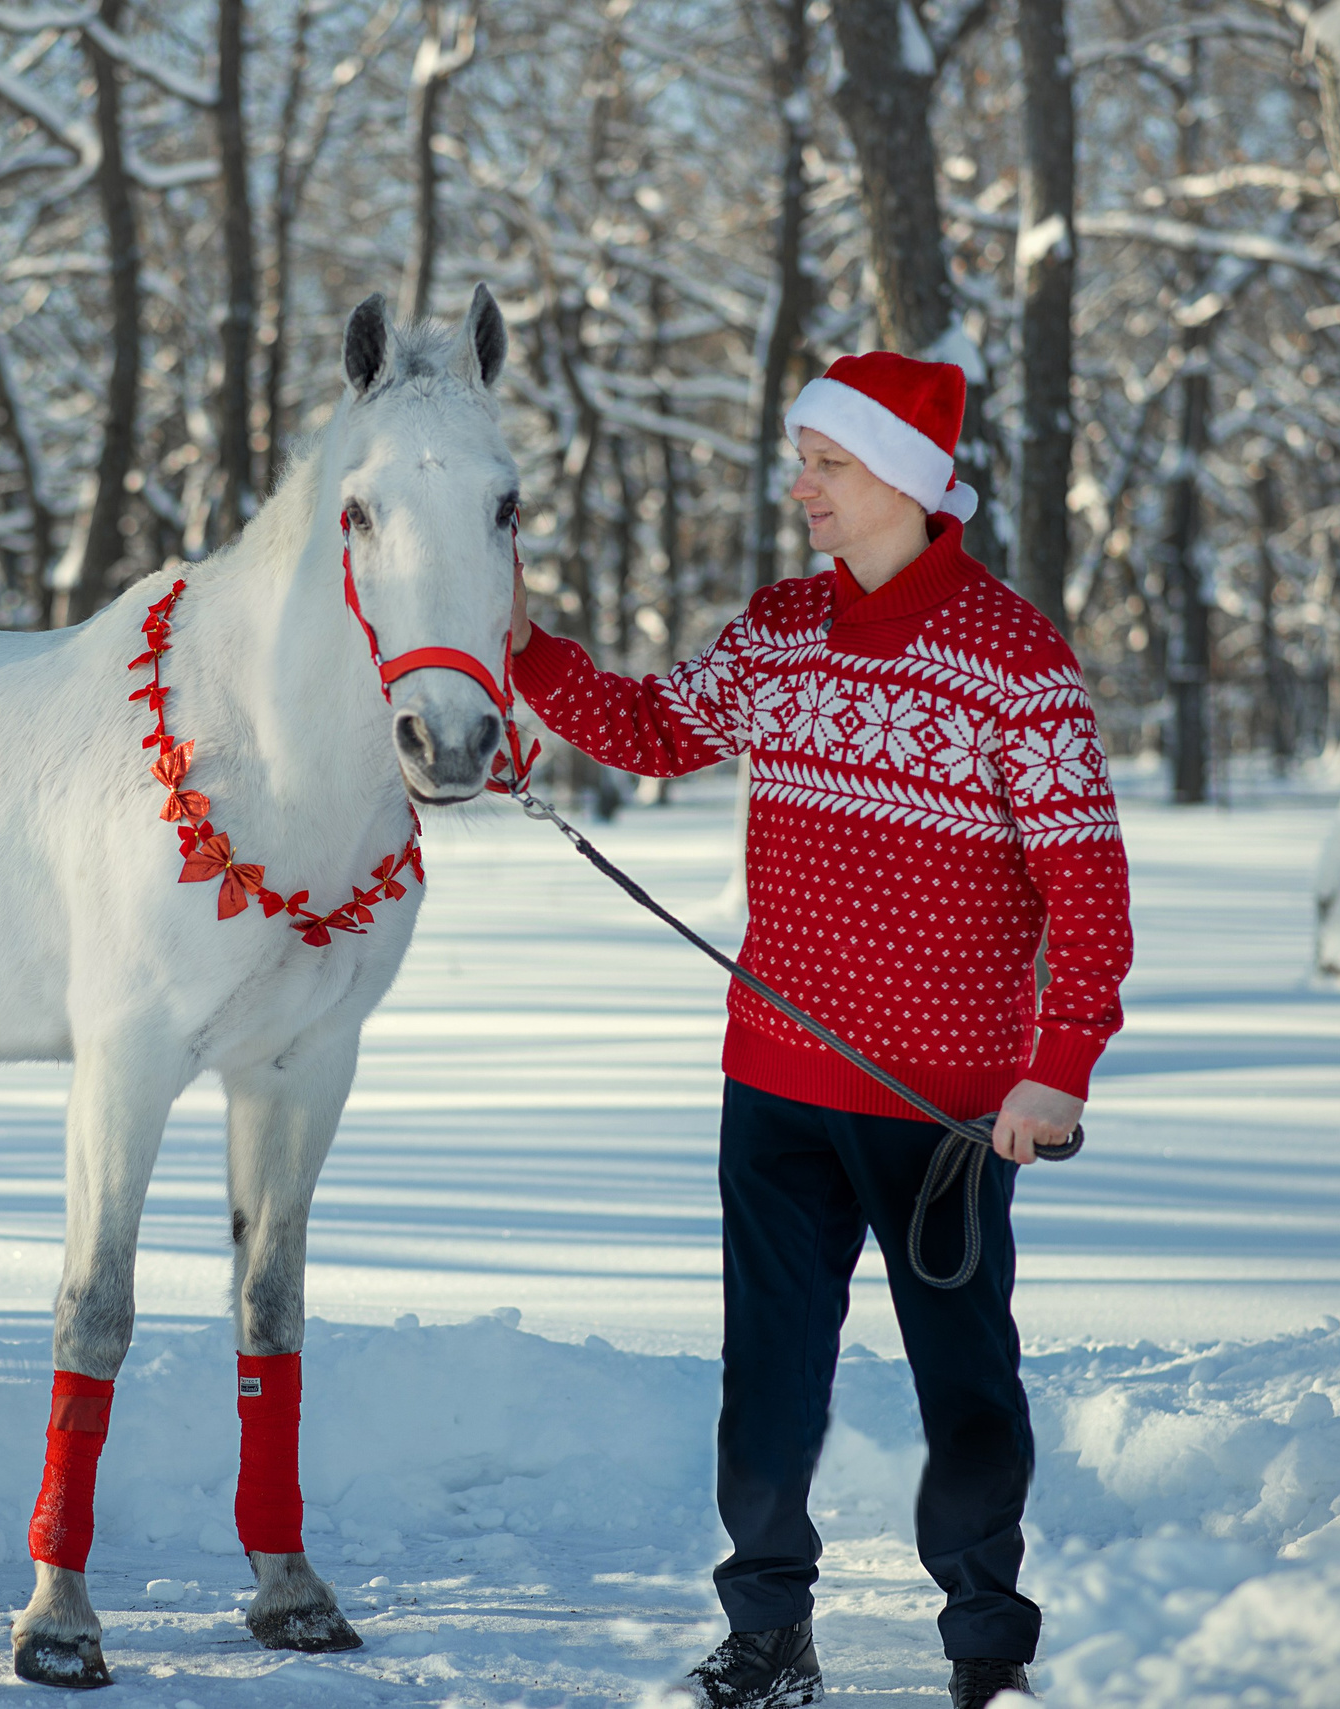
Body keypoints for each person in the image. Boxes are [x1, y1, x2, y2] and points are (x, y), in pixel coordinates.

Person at [505, 352, 1133, 1709]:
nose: (802, 486)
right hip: (775, 1083)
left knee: (966, 1381)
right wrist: (524, 650)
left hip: (945, 1109)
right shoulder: (782, 628)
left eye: (828, 463)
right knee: (770, 1381)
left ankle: (988, 1652)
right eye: (803, 460)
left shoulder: (1013, 656)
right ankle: (768, 1637)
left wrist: (1059, 1066)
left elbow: (1085, 885)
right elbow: (654, 727)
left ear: (903, 478)